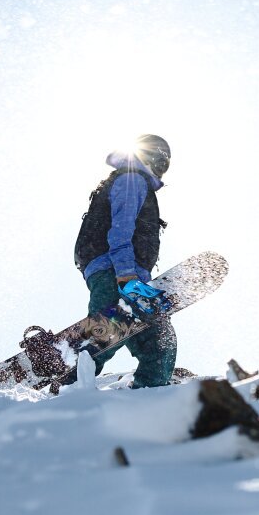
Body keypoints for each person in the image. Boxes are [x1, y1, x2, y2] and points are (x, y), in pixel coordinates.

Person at [73, 134, 177, 389]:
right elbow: (121, 229)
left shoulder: (135, 181)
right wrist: (126, 274)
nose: (162, 169)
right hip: (115, 271)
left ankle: (146, 400)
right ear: (149, 156)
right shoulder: (132, 180)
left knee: (160, 344)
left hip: (123, 273)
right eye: (161, 161)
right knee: (105, 336)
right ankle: (66, 393)